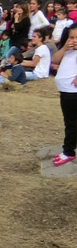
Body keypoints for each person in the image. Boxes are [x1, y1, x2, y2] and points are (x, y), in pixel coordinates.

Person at [51, 25, 77, 165]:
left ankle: (68, 151)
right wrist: (64, 48)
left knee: (71, 123)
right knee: (70, 122)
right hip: (65, 91)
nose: (74, 40)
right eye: (71, 37)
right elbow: (55, 60)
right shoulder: (68, 50)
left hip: (72, 92)